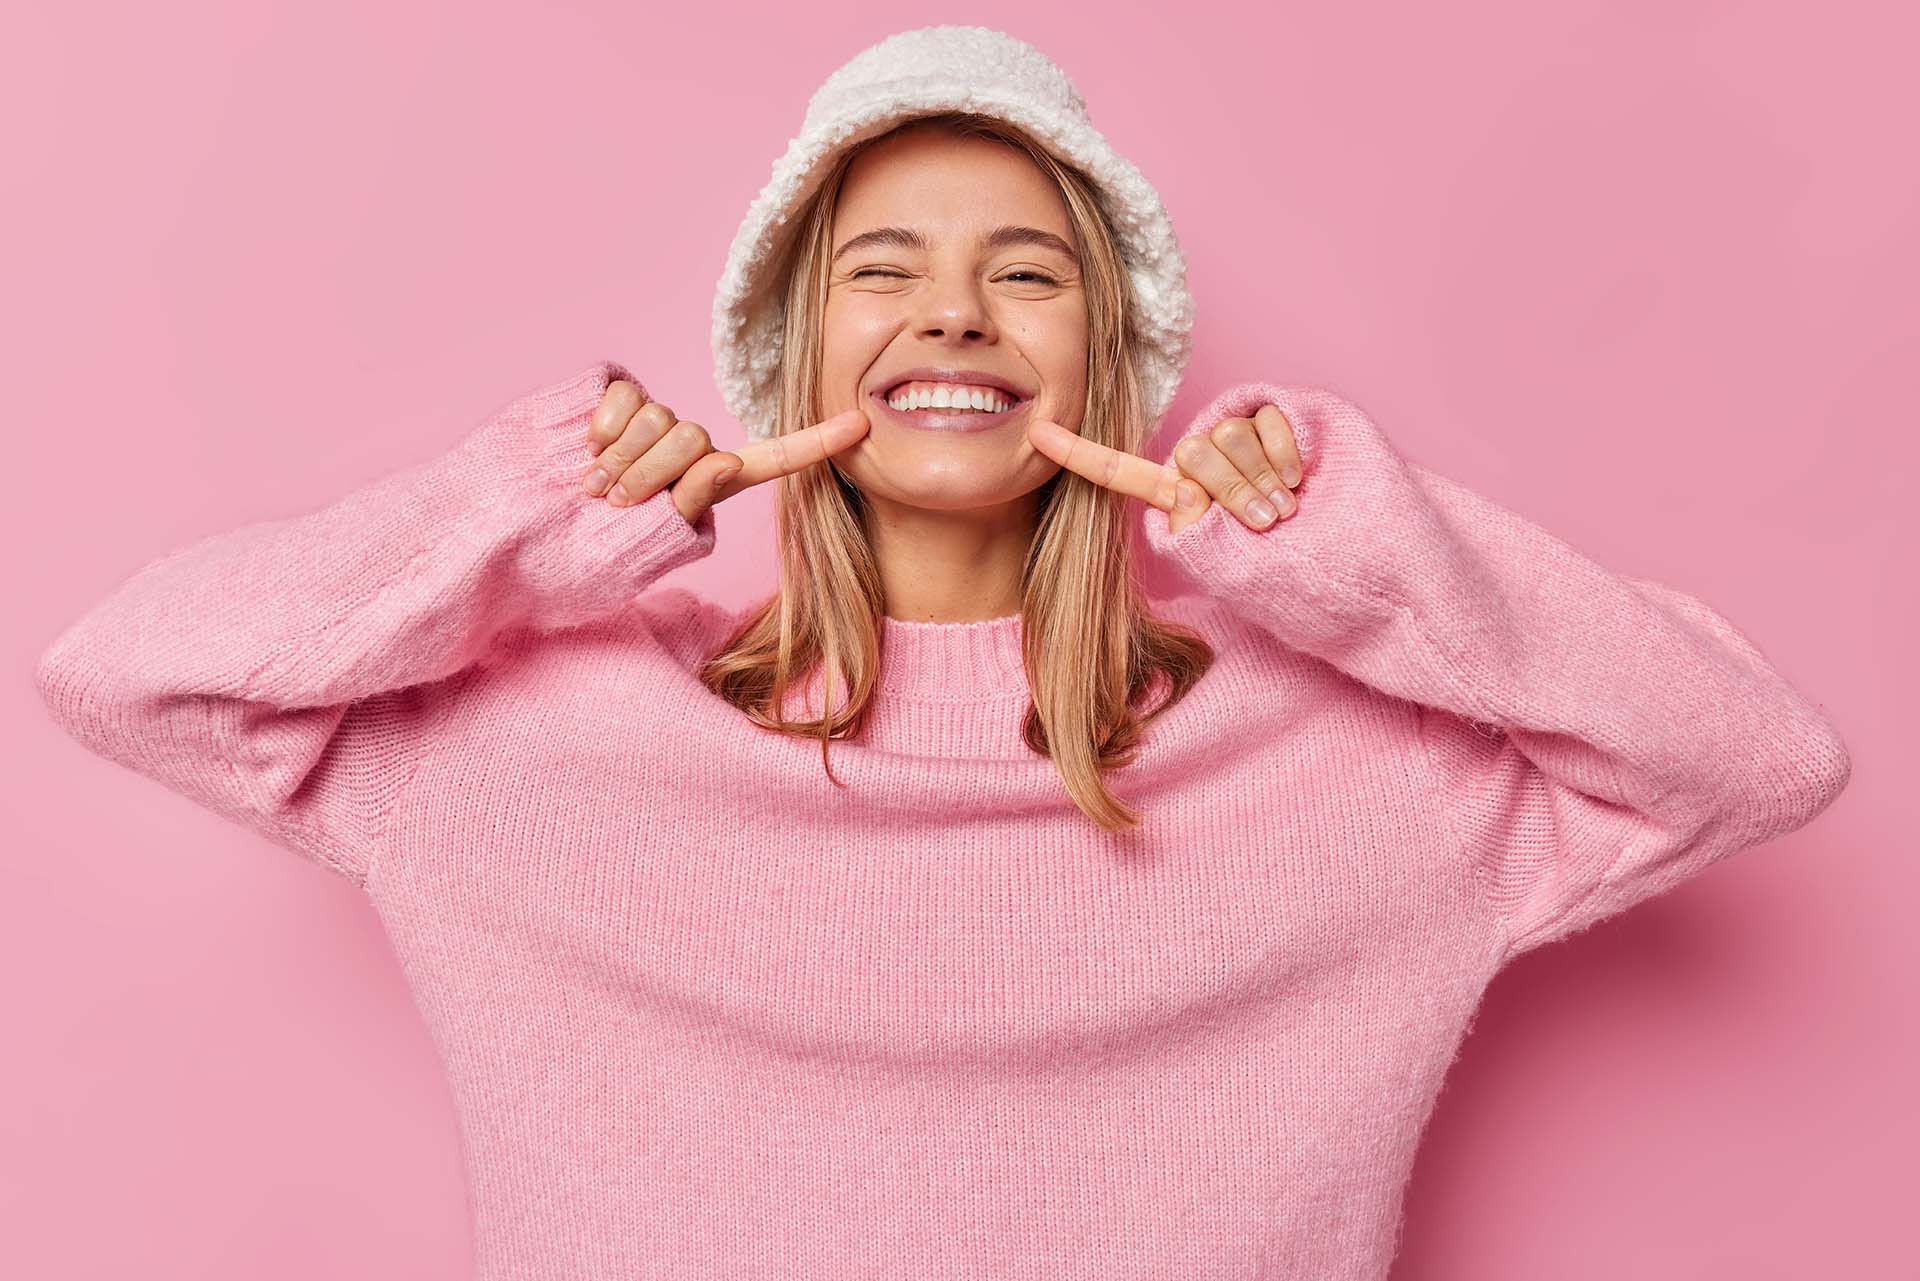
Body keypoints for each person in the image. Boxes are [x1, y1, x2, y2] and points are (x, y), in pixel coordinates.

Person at [32, 23, 1851, 1281]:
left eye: (1030, 272)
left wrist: (1351, 546)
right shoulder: (552, 739)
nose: (956, 311)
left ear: (1111, 365)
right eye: (882, 267)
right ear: (796, 355)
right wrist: (535, 507)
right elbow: (133, 673)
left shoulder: (1348, 765)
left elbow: (1750, 758)